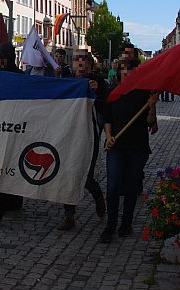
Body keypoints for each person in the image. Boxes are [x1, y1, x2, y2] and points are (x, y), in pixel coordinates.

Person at [100, 46, 158, 243]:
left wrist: (152, 107)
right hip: (116, 146)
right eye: (124, 70)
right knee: (113, 185)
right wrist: (108, 136)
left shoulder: (143, 94)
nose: (127, 74)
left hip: (137, 147)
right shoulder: (112, 92)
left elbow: (150, 123)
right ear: (119, 73)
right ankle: (110, 225)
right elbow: (107, 117)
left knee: (131, 186)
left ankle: (126, 223)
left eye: (131, 71)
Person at [56, 48, 107, 230]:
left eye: (83, 60)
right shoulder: (68, 81)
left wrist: (98, 92)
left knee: (86, 175)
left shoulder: (97, 81)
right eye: (77, 60)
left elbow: (106, 106)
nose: (79, 63)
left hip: (88, 135)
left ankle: (98, 198)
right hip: (69, 134)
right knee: (68, 174)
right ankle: (69, 215)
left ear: (89, 64)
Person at [0, 42, 24, 221]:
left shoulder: (20, 77)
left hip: (15, 127)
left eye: (2, 58)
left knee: (7, 165)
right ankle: (10, 200)